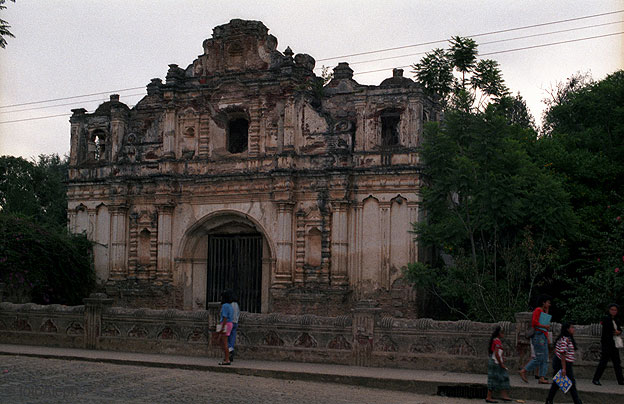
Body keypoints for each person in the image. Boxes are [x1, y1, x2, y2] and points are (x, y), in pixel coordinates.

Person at [545, 323, 583, 404]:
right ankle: (577, 401)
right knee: (571, 383)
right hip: (563, 363)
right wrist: (564, 368)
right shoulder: (565, 339)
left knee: (556, 384)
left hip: (563, 363)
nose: (573, 329)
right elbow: (562, 354)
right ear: (567, 329)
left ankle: (549, 400)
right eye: (572, 327)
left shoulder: (566, 338)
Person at [520, 294, 552, 384]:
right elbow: (535, 323)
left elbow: (546, 321)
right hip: (538, 336)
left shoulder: (543, 311)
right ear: (543, 302)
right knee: (539, 357)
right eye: (548, 303)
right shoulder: (538, 310)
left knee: (545, 357)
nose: (549, 304)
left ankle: (542, 377)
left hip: (543, 336)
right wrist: (544, 326)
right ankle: (524, 370)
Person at [592, 303, 624, 386]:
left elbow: (619, 329)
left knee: (617, 363)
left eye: (615, 310)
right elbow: (608, 331)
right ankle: (596, 379)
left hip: (614, 344)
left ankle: (620, 380)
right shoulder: (606, 319)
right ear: (609, 310)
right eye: (612, 310)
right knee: (603, 362)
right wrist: (616, 332)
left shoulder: (617, 320)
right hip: (607, 344)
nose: (613, 311)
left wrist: (618, 332)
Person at [486, 326, 512, 403]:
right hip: (496, 362)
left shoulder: (496, 340)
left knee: (503, 377)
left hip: (496, 361)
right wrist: (501, 364)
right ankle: (489, 396)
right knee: (494, 378)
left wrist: (502, 358)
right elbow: (496, 354)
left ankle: (504, 394)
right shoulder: (497, 341)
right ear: (499, 333)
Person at [218, 290, 234, 365]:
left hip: (226, 324)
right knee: (223, 342)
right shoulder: (230, 306)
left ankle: (227, 359)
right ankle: (226, 357)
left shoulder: (224, 306)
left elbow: (225, 317)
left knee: (224, 343)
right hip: (230, 324)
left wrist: (222, 327)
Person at [228, 291, 240, 362]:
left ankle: (230, 349)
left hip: (230, 322)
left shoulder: (229, 305)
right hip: (235, 322)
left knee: (226, 338)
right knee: (232, 338)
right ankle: (231, 349)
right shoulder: (237, 305)